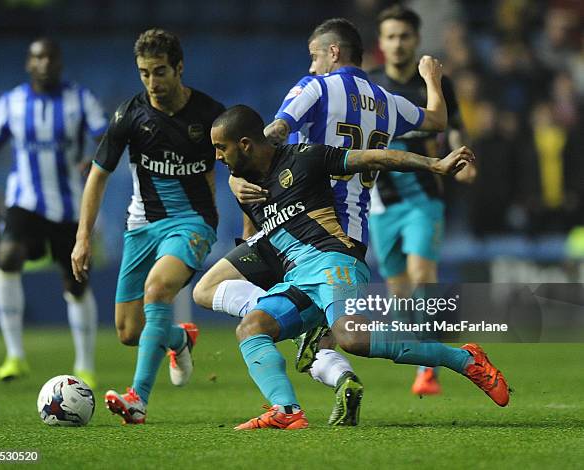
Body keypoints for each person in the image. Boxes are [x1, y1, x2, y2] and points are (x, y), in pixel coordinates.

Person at [192, 18, 448, 426]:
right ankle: (321, 362)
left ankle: (295, 377)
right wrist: (432, 78)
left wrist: (241, 172)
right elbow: (435, 120)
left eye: (314, 56)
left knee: (212, 293)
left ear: (333, 53)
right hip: (354, 228)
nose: (311, 67)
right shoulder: (387, 101)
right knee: (236, 298)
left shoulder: (315, 88)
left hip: (302, 221)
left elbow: (273, 132)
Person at [211, 105, 507, 431]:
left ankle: (465, 360)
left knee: (352, 338)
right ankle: (286, 410)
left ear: (245, 144)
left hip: (334, 262)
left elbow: (373, 158)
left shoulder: (305, 157)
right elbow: (256, 238)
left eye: (220, 148)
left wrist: (434, 164)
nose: (217, 157)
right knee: (251, 328)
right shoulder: (244, 188)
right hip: (297, 279)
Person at [71, 28, 225, 424]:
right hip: (141, 227)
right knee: (128, 332)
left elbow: (241, 172)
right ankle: (179, 337)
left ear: (179, 68)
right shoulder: (129, 115)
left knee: (158, 291)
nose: (152, 83)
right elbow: (98, 175)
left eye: (160, 72)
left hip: (192, 222)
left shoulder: (209, 115)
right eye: (144, 73)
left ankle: (137, 400)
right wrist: (83, 236)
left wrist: (248, 224)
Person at [0, 38, 107, 387]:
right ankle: (14, 355)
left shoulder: (81, 99)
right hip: (25, 200)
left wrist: (97, 165)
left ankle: (85, 365)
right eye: (37, 57)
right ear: (28, 64)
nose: (44, 63)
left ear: (60, 63)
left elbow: (106, 139)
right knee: (7, 256)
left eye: (50, 57)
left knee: (75, 283)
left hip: (69, 204)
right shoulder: (12, 102)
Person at [365, 5, 476, 395]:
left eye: (404, 36)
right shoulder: (370, 86)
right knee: (399, 291)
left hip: (424, 198)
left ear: (415, 40)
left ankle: (428, 370)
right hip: (380, 202)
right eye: (390, 36)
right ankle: (421, 353)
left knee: (422, 276)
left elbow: (455, 129)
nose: (397, 44)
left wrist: (462, 157)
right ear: (381, 43)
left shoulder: (434, 83)